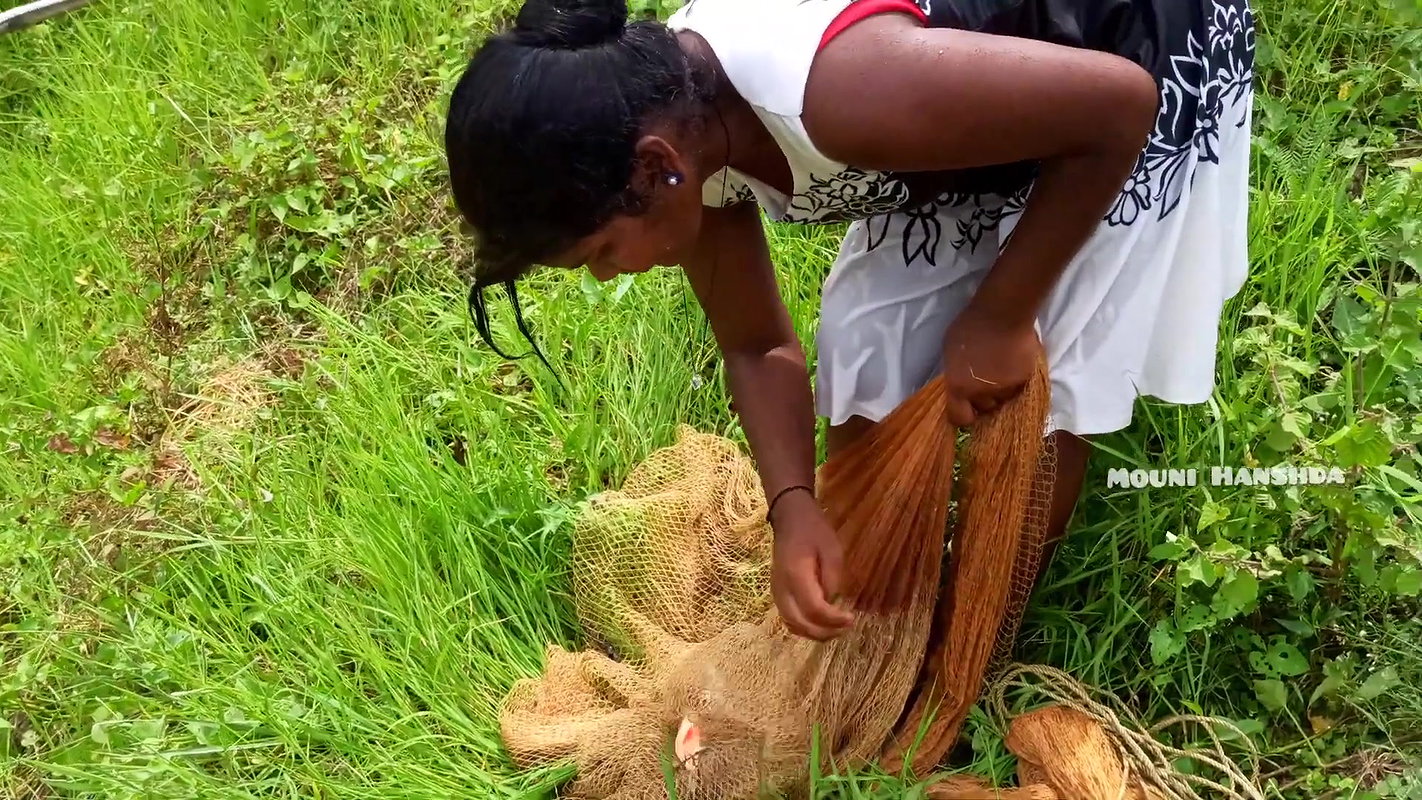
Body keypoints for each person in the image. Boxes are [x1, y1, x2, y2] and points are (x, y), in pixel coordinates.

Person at [443, 0, 1255, 641]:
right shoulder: (684, 133)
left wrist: (1003, 316)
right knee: (868, 332)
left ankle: (990, 626)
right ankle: (892, 602)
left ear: (657, 170)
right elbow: (757, 346)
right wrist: (794, 506)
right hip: (965, 93)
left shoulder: (839, 94)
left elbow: (1118, 108)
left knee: (1048, 386)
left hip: (1124, 55)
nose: (609, 273)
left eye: (601, 251)